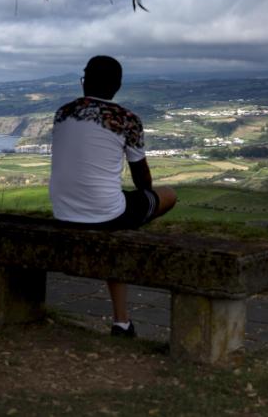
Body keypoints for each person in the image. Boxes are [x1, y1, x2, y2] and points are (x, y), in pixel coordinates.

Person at [48, 55, 178, 338]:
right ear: (117, 85)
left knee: (112, 218)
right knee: (168, 195)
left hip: (62, 212)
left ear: (85, 82)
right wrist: (144, 198)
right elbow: (141, 177)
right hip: (107, 215)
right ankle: (120, 322)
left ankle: (123, 322)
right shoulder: (127, 119)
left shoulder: (63, 113)